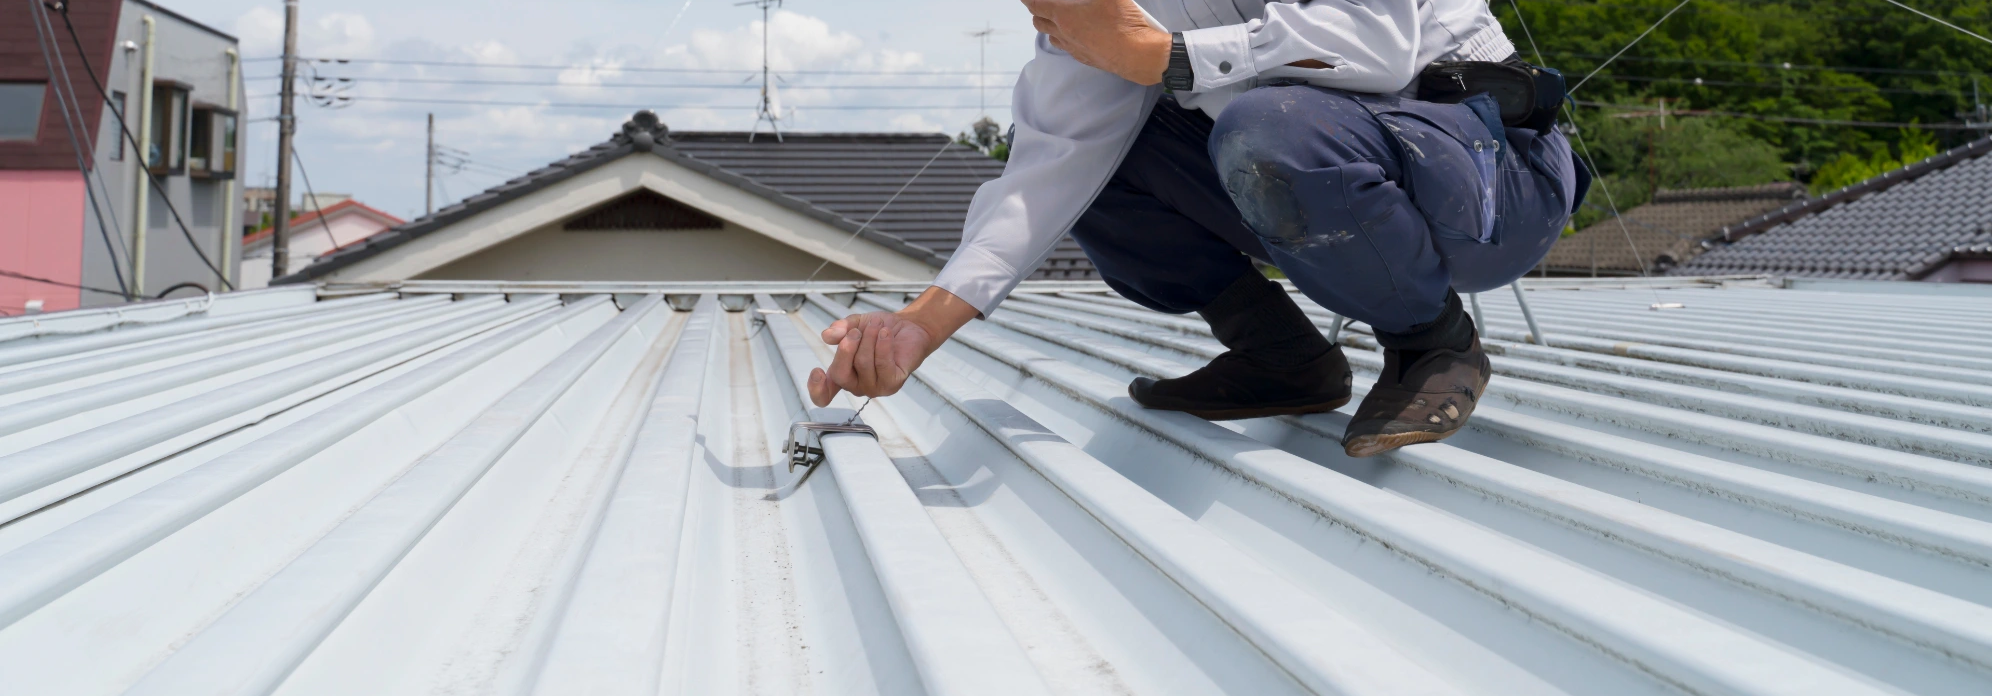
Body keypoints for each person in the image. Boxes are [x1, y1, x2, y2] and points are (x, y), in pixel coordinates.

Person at [807, 0, 1586, 458]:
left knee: (1263, 123)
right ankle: (1282, 357)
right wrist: (921, 322)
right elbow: (1051, 164)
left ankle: (1433, 342)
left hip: (1495, 173)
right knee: (1105, 159)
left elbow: (1377, 44)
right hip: (1330, 154)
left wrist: (1169, 55)